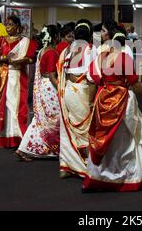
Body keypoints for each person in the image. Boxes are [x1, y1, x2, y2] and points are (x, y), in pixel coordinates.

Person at [82, 25, 142, 192]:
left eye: (103, 33)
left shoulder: (99, 59)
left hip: (103, 99)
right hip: (122, 100)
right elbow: (135, 83)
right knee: (126, 140)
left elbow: (91, 81)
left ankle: (101, 176)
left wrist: (91, 102)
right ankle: (128, 176)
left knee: (104, 139)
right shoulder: (124, 58)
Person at [0, 16, 37, 148]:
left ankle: (18, 136)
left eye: (11, 24)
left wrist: (21, 61)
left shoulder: (25, 42)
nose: (8, 27)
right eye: (6, 24)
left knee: (16, 107)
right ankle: (3, 136)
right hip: (3, 76)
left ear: (18, 26)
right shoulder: (1, 40)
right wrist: (5, 58)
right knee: (4, 106)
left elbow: (32, 59)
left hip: (18, 76)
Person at [57, 19, 98, 178]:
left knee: (68, 128)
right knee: (86, 129)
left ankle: (66, 166)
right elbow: (92, 77)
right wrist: (92, 100)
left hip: (68, 90)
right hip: (83, 91)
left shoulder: (66, 50)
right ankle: (87, 166)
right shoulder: (91, 49)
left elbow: (63, 73)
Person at [15, 25, 61, 161]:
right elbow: (52, 75)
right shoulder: (52, 52)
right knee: (54, 119)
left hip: (43, 87)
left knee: (41, 120)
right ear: (55, 37)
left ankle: (24, 148)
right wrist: (61, 89)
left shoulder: (41, 51)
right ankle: (50, 148)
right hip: (50, 88)